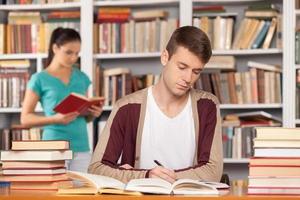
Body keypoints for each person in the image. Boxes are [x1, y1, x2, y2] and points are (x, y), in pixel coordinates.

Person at [88, 26, 223, 183]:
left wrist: (157, 177)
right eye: (182, 67)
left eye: (196, 72)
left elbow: (213, 171)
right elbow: (96, 169)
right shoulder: (127, 107)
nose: (188, 78)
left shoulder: (207, 106)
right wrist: (145, 175)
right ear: (165, 57)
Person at [21, 27, 103, 172]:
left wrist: (93, 113)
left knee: (82, 193)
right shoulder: (39, 79)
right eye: (69, 52)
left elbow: (84, 118)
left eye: (77, 53)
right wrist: (55, 119)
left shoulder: (81, 77)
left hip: (82, 147)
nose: (74, 58)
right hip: (54, 147)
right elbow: (25, 119)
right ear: (55, 48)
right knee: (56, 192)